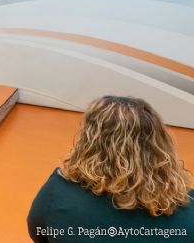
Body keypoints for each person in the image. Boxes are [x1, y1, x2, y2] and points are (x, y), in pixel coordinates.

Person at [27, 95, 194, 243]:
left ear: (90, 140)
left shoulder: (58, 191)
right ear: (159, 144)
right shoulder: (189, 210)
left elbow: (38, 232)